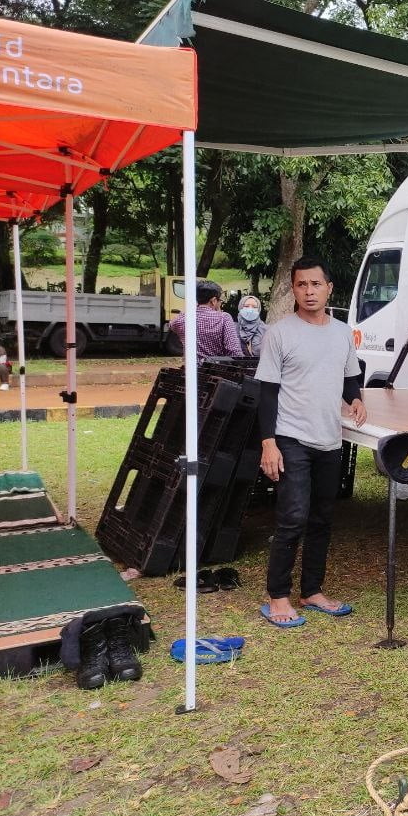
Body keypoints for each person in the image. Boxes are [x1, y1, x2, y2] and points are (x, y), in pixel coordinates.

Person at [255, 257, 366, 629]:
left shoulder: (342, 333)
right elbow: (267, 393)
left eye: (316, 284)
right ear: (293, 289)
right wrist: (268, 443)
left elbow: (349, 378)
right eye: (301, 285)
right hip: (291, 438)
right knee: (292, 517)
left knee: (322, 518)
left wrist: (356, 399)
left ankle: (312, 591)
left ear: (329, 288)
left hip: (329, 439)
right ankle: (278, 595)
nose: (309, 291)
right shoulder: (279, 333)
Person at [169, 280, 243, 360]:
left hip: (192, 366)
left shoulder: (182, 318)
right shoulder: (224, 318)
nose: (220, 303)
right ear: (213, 301)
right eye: (220, 301)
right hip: (216, 366)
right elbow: (234, 351)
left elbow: (172, 325)